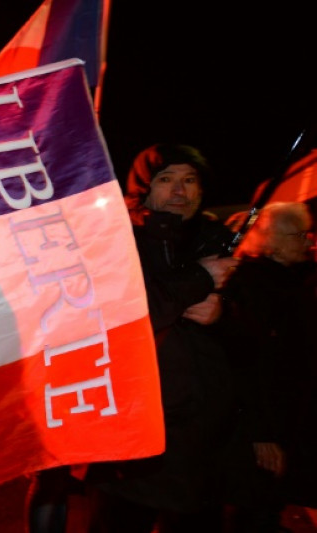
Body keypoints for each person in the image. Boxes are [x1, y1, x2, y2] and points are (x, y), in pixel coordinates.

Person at [85, 144, 239, 532]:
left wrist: (225, 315)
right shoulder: (114, 243)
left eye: (190, 180)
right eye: (166, 180)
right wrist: (199, 280)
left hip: (206, 440)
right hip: (140, 439)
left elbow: (256, 338)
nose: (179, 191)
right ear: (143, 189)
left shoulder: (220, 242)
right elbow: (120, 313)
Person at [217, 201, 316, 532]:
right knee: (253, 510)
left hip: (283, 422)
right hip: (259, 428)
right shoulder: (254, 284)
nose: (309, 241)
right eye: (300, 234)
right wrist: (262, 435)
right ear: (272, 239)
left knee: (268, 506)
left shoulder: (289, 281)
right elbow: (249, 361)